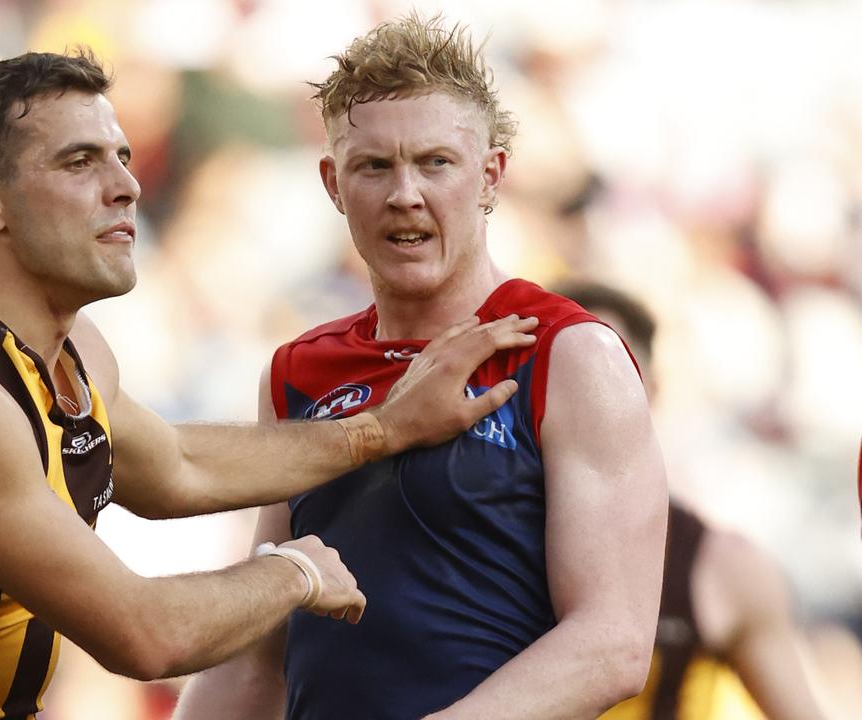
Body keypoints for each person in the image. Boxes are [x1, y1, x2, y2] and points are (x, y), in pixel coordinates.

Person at [0, 50, 540, 719]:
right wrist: (296, 571)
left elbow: (174, 466)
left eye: (121, 155)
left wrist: (381, 430)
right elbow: (143, 633)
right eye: (80, 163)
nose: (127, 187)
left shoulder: (69, 348)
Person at [174, 14, 668, 720]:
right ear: (333, 183)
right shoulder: (295, 371)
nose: (405, 193)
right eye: (374, 166)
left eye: (435, 162)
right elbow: (260, 658)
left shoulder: (570, 353)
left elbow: (612, 642)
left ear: (491, 175)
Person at [555, 281, 827, 720]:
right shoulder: (467, 536)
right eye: (556, 370)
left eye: (610, 369)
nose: (584, 394)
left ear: (653, 388)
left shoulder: (719, 563)